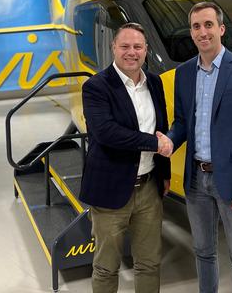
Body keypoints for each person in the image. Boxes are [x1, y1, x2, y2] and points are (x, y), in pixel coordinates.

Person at [163, 1, 232, 293]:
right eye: (196, 26)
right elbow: (183, 121)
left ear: (221, 29)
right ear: (191, 32)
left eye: (208, 25)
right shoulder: (184, 74)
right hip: (196, 180)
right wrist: (171, 140)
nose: (202, 32)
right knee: (203, 252)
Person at [80, 22, 173, 293]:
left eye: (137, 47)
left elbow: (162, 126)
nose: (131, 52)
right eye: (125, 46)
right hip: (110, 190)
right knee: (107, 267)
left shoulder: (154, 83)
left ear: (145, 50)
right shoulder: (97, 86)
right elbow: (107, 133)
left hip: (148, 189)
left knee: (149, 262)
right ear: (114, 48)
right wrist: (155, 145)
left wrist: (164, 173)